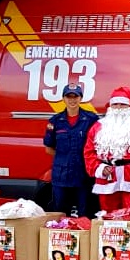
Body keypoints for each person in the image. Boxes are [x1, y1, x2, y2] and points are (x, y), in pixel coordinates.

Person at [84, 86, 130, 213]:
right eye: (115, 104)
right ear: (110, 107)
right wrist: (98, 168)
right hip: (107, 177)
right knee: (108, 215)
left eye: (122, 104)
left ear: (129, 107)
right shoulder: (99, 126)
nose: (118, 108)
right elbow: (89, 152)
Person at [43, 83, 98, 217]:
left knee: (85, 214)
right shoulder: (55, 121)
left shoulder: (91, 119)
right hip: (61, 176)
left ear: (81, 98)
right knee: (59, 214)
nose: (72, 100)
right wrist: (65, 156)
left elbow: (98, 145)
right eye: (69, 96)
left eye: (75, 96)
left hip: (83, 175)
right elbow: (48, 148)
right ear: (63, 98)